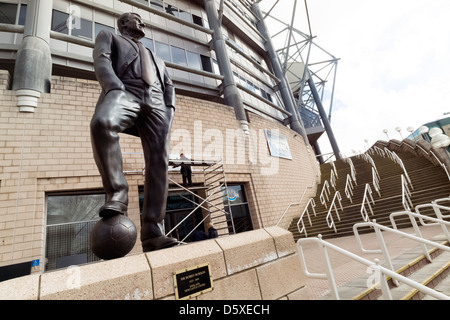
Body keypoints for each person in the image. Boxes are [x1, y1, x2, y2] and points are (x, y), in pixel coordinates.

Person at [90, 12, 178, 252]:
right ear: (123, 23)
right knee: (102, 123)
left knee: (159, 161)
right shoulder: (109, 36)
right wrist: (114, 87)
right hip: (126, 92)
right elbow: (102, 60)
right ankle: (117, 195)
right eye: (136, 18)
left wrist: (169, 109)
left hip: (157, 105)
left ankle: (153, 232)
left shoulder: (156, 58)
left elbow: (169, 85)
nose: (142, 22)